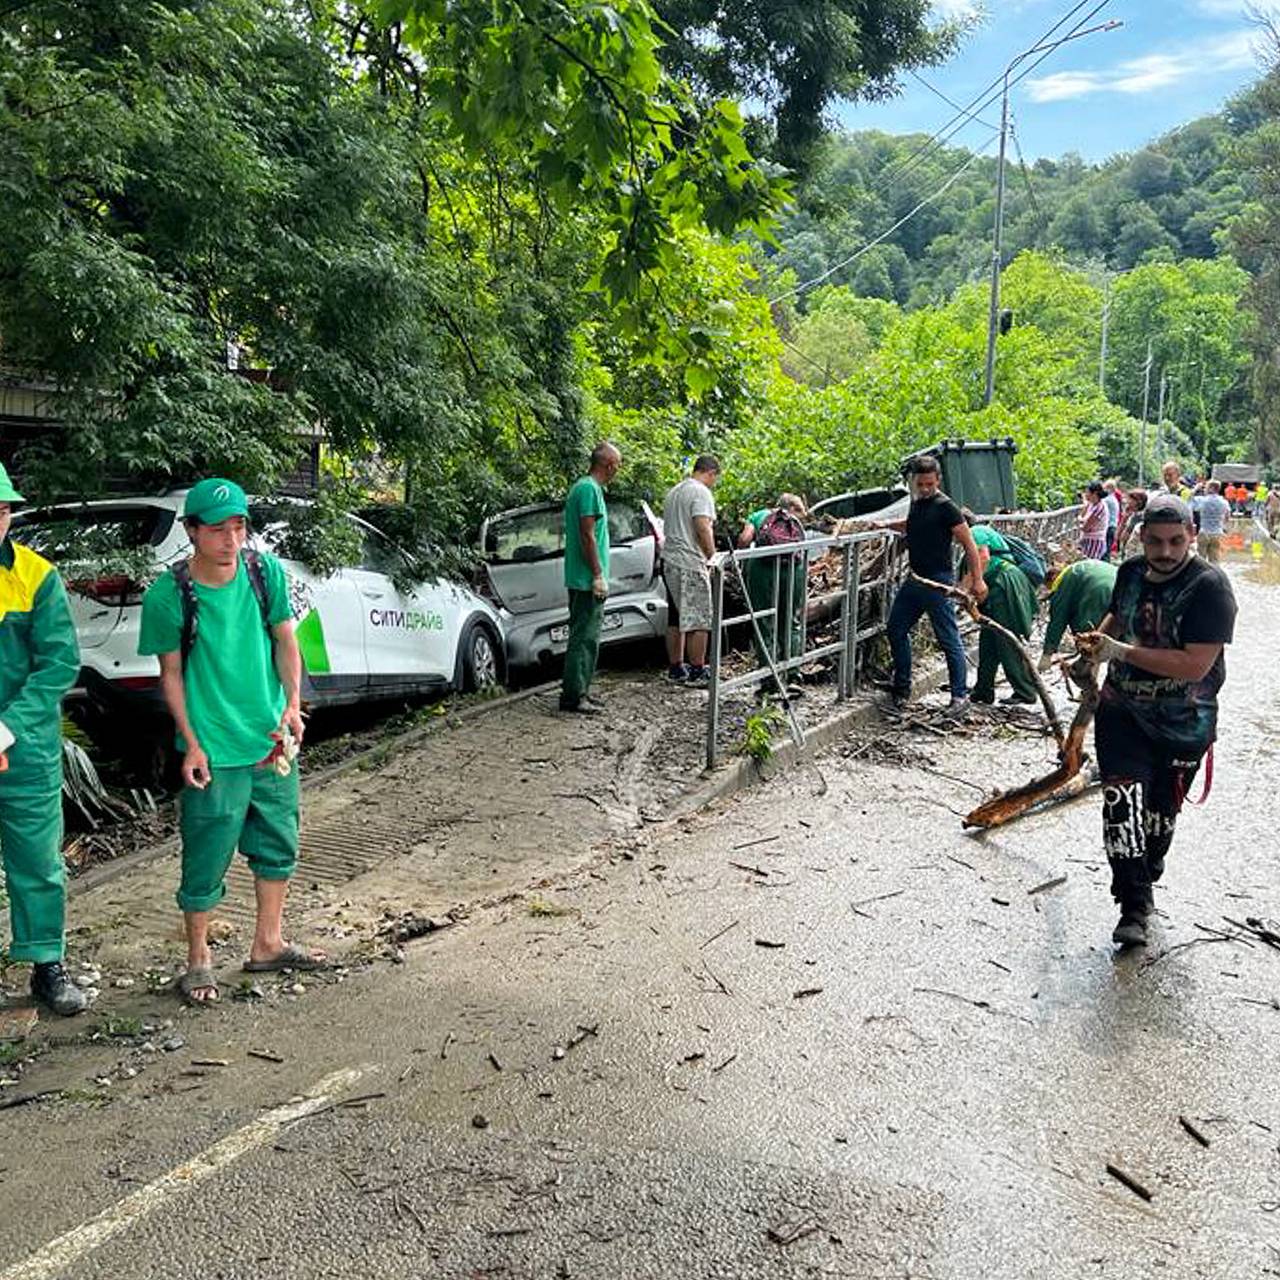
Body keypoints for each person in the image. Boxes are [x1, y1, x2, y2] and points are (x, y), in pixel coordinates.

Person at [138, 478, 321, 1006]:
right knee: (205, 853)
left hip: (268, 741)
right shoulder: (170, 594)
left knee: (278, 842)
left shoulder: (265, 574)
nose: (231, 540)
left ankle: (268, 943)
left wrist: (291, 705)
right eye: (217, 530)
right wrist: (190, 743)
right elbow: (170, 675)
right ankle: (198, 960)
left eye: (239, 526)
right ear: (191, 531)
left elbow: (286, 640)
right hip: (213, 750)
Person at [1076, 494, 1237, 949]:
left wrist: (1119, 652)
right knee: (1121, 805)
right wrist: (1093, 649)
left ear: (1191, 537)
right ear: (1141, 537)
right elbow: (1118, 617)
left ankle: (1146, 869)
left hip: (1184, 719)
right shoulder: (1128, 572)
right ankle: (1134, 906)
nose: (1165, 552)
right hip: (1122, 709)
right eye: (1155, 542)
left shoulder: (1211, 587)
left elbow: (1193, 666)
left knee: (1160, 817)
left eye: (1175, 542)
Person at [0, 462, 85, 1016]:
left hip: (23, 747)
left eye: (3, 510)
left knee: (36, 859)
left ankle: (45, 964)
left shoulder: (35, 575)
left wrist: (5, 727)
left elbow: (59, 664)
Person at [881, 455, 986, 713]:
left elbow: (970, 545)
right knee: (895, 628)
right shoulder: (916, 503)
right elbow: (913, 526)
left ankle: (959, 696)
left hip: (938, 581)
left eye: (930, 484)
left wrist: (978, 580)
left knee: (948, 638)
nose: (925, 488)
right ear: (913, 482)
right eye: (920, 484)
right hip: (915, 579)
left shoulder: (946, 507)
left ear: (938, 480)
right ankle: (902, 686)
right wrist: (883, 525)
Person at [559, 442, 622, 716]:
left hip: (584, 577)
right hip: (586, 579)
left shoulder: (587, 488)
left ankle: (581, 690)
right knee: (584, 638)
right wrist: (597, 574)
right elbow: (587, 535)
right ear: (608, 465)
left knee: (588, 637)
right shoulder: (588, 489)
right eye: (617, 464)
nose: (618, 469)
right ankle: (574, 696)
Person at [661, 455, 721, 687]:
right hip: (689, 561)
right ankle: (697, 670)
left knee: (676, 618)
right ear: (711, 473)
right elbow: (702, 527)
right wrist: (713, 557)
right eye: (715, 478)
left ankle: (676, 668)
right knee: (700, 619)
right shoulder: (701, 492)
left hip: (669, 560)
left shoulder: (674, 491)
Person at [964, 525, 1038, 706]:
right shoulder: (973, 536)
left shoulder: (975, 532)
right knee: (988, 639)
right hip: (998, 584)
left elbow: (982, 557)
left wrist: (972, 586)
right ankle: (983, 690)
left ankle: (1025, 691)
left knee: (1006, 639)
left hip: (1003, 585)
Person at [737, 494, 808, 679]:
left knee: (764, 623)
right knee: (791, 621)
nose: (804, 514)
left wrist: (739, 559)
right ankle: (793, 674)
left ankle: (770, 679)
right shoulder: (795, 522)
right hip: (794, 570)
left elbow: (745, 539)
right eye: (800, 509)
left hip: (762, 570)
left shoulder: (759, 516)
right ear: (791, 508)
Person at [1037, 559, 1117, 670]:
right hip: (1122, 586)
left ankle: (1090, 669)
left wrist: (1047, 654)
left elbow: (1058, 620)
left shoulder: (1063, 582)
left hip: (1099, 592)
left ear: (1053, 578)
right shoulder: (1079, 568)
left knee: (1089, 634)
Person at [1195, 480, 1231, 564]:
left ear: (1211, 488)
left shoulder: (1202, 500)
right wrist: (1223, 525)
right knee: (1214, 560)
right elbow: (1227, 516)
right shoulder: (1224, 502)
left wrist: (1196, 489)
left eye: (1206, 487)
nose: (1205, 489)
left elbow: (1189, 502)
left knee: (1201, 560)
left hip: (1204, 532)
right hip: (1217, 533)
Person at [1078, 481, 1109, 560]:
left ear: (1094, 493)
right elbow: (1082, 515)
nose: (1085, 494)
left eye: (1087, 492)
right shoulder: (1092, 504)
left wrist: (1080, 522)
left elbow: (1086, 527)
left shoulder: (1099, 508)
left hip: (1094, 543)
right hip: (1088, 541)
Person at [1115, 488, 1147, 558]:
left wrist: (1124, 519)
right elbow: (1117, 536)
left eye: (1130, 499)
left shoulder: (1137, 517)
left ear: (1138, 501)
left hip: (1132, 554)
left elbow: (1122, 537)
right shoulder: (1132, 515)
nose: (1127, 501)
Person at [1102, 480, 1121, 558]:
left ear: (1109, 488)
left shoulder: (1107, 500)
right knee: (1107, 551)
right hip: (1113, 526)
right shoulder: (1114, 499)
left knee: (1104, 552)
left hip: (1108, 527)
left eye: (1105, 488)